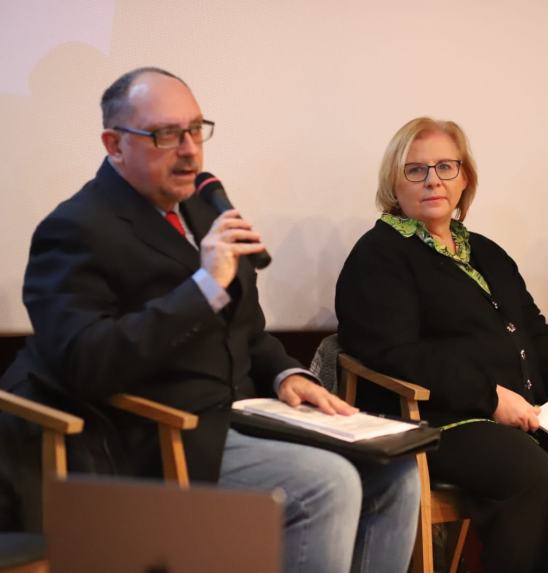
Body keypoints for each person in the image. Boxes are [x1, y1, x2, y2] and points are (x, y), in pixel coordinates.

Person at [0, 67, 419, 573]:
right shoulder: (74, 229)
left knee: (396, 471)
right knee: (326, 484)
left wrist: (287, 374)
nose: (190, 150)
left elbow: (245, 327)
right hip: (154, 436)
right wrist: (202, 287)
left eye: (196, 130)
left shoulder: (200, 207)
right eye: (165, 135)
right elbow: (87, 361)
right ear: (114, 144)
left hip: (242, 414)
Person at [335, 117, 548, 573]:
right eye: (415, 170)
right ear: (394, 183)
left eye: (445, 167)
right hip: (434, 419)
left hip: (522, 413)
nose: (433, 179)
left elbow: (532, 328)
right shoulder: (378, 255)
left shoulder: (487, 251)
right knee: (531, 476)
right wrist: (489, 398)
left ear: (464, 177)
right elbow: (394, 354)